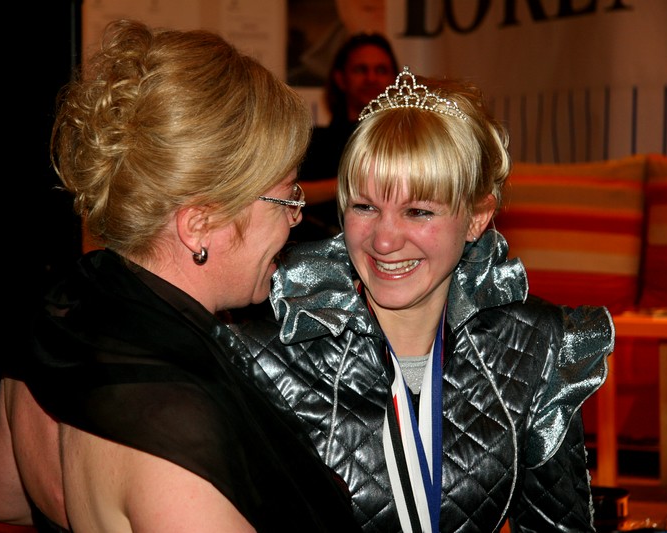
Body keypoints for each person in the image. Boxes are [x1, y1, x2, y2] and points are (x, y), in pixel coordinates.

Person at [0, 19, 361, 533]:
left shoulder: (61, 312)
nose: (296, 218)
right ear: (199, 224)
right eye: (285, 196)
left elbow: (4, 499)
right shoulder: (181, 416)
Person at [231, 68, 614, 532]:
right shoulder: (267, 353)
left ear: (476, 217)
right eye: (365, 206)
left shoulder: (535, 346)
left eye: (417, 211)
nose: (384, 240)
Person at [293, 32, 398, 242]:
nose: (371, 78)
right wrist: (352, 183)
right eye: (361, 69)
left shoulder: (407, 141)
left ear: (394, 80)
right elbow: (288, 194)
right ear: (341, 79)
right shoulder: (312, 142)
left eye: (381, 70)